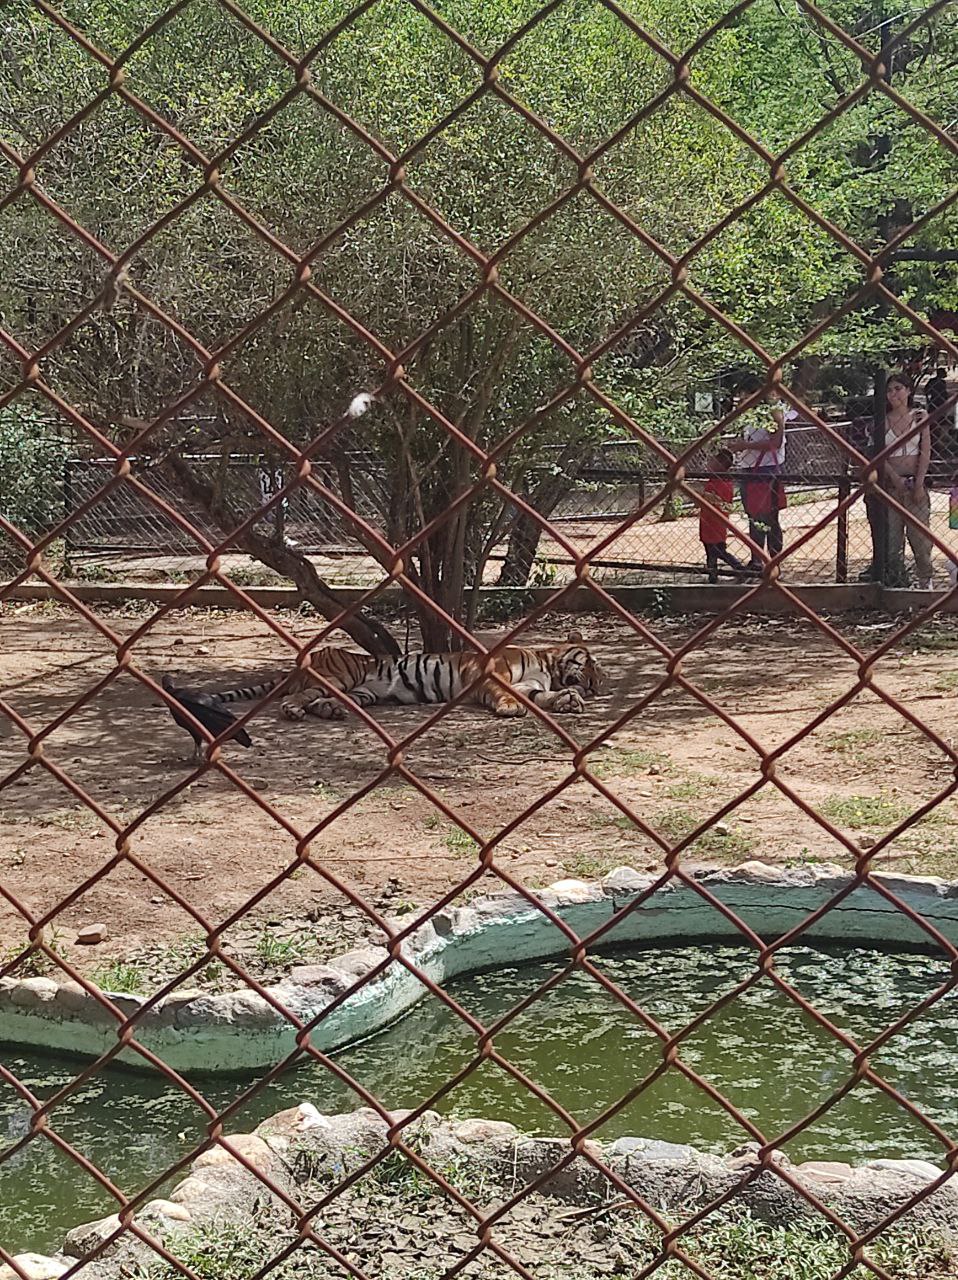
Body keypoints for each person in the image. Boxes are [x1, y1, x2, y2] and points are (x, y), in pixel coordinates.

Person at [725, 390, 786, 572]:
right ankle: (757, 560)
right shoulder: (751, 415)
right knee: (753, 517)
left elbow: (775, 443)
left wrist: (745, 446)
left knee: (769, 518)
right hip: (749, 469)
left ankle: (773, 559)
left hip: (767, 470)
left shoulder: (773, 411)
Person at [884, 372, 933, 589]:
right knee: (892, 538)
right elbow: (879, 454)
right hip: (892, 485)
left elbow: (925, 451)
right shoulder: (883, 420)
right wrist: (894, 478)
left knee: (920, 536)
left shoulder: (920, 418)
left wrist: (920, 484)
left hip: (915, 483)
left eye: (898, 389)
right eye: (889, 390)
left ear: (908, 391)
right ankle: (897, 580)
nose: (893, 394)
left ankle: (925, 579)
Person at [699, 448, 747, 583]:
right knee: (711, 549)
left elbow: (711, 499)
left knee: (718, 550)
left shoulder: (719, 482)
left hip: (713, 520)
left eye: (713, 461)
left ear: (719, 465)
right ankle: (712, 575)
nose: (709, 463)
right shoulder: (722, 481)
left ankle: (739, 569)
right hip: (712, 519)